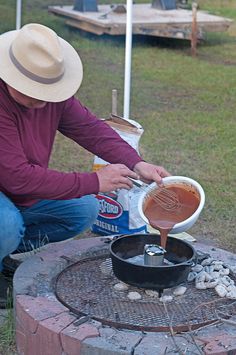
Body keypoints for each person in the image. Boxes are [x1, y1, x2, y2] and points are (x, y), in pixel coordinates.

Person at [0, 23, 170, 307]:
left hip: (16, 188)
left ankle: (2, 252)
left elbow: (91, 129)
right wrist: (95, 181)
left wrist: (136, 162)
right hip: (9, 185)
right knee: (6, 223)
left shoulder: (51, 94)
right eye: (34, 89)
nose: (44, 98)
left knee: (84, 210)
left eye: (48, 88)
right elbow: (17, 178)